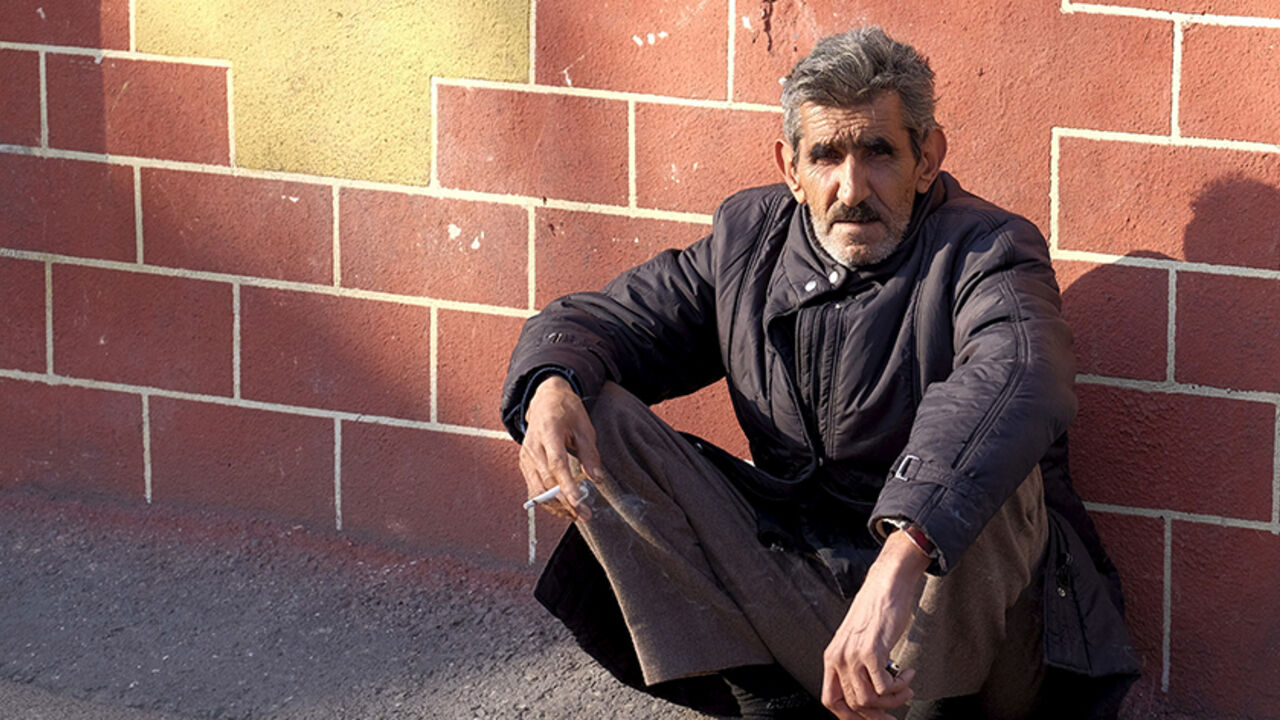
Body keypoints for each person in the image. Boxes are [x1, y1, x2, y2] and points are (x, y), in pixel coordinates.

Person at [500, 27, 1138, 720]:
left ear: (927, 158)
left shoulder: (990, 250)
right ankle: (770, 697)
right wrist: (549, 384)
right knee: (594, 411)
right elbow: (610, 321)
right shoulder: (749, 242)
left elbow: (1017, 378)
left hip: (960, 631)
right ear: (790, 167)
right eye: (827, 156)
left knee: (994, 467)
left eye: (879, 153)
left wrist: (905, 556)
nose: (851, 188)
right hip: (801, 586)